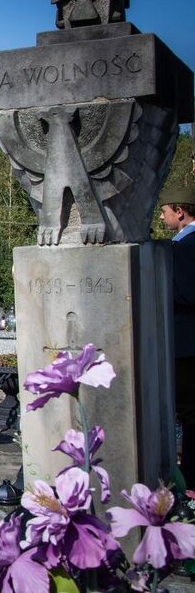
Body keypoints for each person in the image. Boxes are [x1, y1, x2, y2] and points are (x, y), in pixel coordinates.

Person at [158, 185, 195, 484]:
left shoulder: (186, 246)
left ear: (180, 212)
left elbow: (184, 294)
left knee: (189, 412)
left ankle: (192, 477)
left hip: (187, 344)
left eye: (165, 211)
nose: (161, 217)